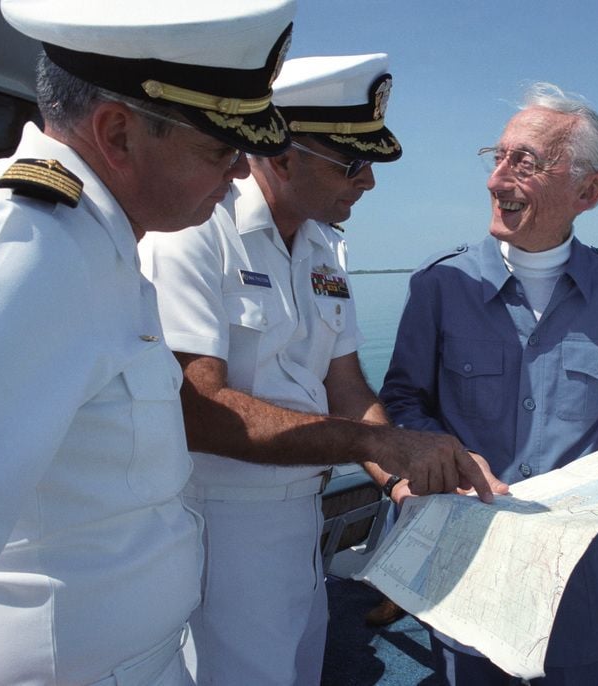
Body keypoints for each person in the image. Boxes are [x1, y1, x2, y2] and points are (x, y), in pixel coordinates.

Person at [0, 1, 296, 683]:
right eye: (222, 147)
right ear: (118, 134)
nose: (241, 171)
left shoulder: (101, 245)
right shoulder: (19, 247)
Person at [138, 54, 499, 686]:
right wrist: (374, 441)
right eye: (353, 164)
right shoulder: (197, 232)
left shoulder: (323, 245)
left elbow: (347, 386)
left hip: (301, 520)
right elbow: (197, 408)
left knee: (301, 670)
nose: (368, 184)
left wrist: (401, 479)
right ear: (280, 155)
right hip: (215, 524)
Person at [378, 82, 598, 685]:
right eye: (499, 157)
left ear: (588, 192)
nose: (496, 179)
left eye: (526, 162)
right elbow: (405, 404)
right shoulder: (439, 286)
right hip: (473, 571)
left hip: (587, 582)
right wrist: (440, 462)